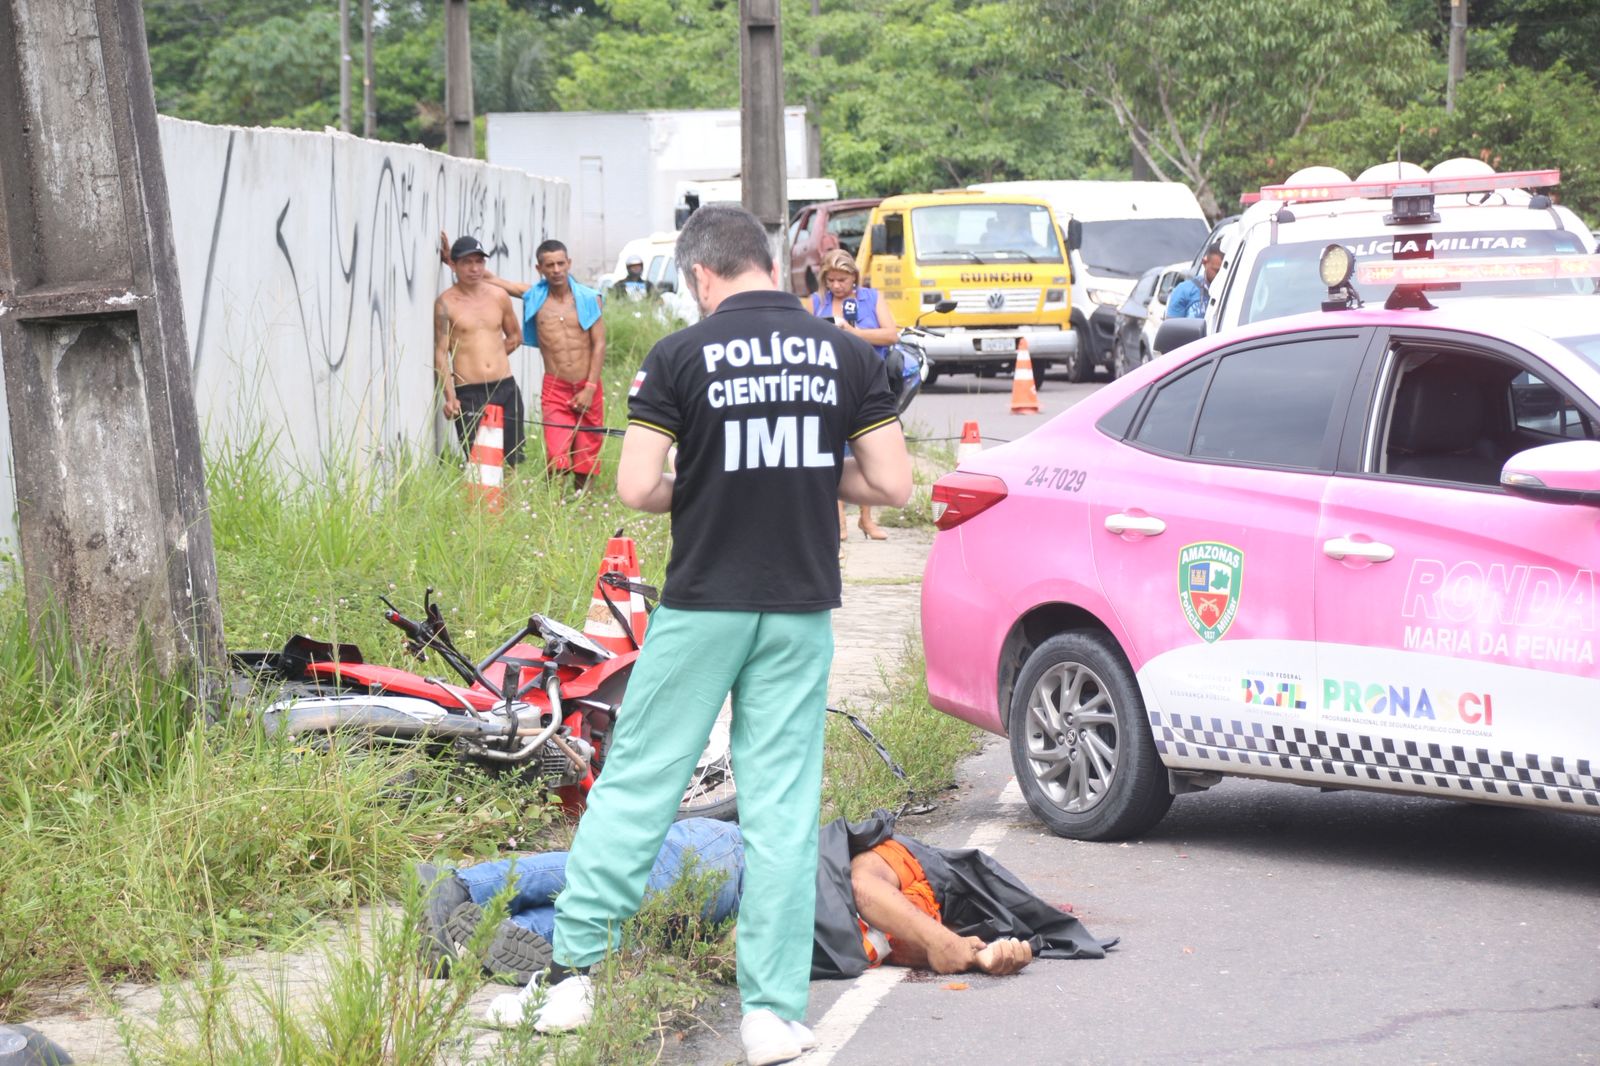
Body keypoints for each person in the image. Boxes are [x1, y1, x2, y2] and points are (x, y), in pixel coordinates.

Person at [523, 204, 912, 1066]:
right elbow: (892, 484)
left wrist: (705, 479)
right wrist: (809, 471)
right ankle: (770, 1013)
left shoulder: (679, 356)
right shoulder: (847, 354)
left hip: (704, 605)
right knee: (782, 810)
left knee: (639, 783)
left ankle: (573, 977)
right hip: (799, 609)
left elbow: (636, 488)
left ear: (702, 275)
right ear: (766, 262)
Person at [412, 809, 1110, 1020]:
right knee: (616, 880)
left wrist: (989, 957)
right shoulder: (913, 870)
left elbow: (929, 948)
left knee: (611, 932)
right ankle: (459, 884)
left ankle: (467, 943)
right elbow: (864, 885)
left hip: (730, 923)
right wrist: (948, 943)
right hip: (732, 862)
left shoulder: (913, 940)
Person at [439, 233, 608, 490]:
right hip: (556, 386)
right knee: (557, 455)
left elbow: (600, 344)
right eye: (549, 265)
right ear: (539, 269)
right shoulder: (532, 296)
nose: (556, 270)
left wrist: (590, 387)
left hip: (588, 385)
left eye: (561, 263)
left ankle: (582, 502)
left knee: (587, 455)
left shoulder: (589, 298)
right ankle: (554, 504)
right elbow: (487, 277)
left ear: (569, 263)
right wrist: (451, 260)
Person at [809, 249, 899, 543]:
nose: (837, 286)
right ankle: (839, 523)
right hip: (830, 384)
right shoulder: (816, 302)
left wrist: (852, 333)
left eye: (843, 280)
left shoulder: (871, 299)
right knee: (834, 451)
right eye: (831, 280)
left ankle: (866, 519)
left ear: (854, 278)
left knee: (866, 451)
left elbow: (890, 335)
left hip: (868, 384)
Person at [433, 235, 528, 466]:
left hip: (506, 387)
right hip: (469, 393)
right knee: (481, 466)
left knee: (511, 462)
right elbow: (441, 353)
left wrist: (491, 355)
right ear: (453, 265)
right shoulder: (445, 303)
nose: (474, 268)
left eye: (479, 262)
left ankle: (512, 492)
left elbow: (515, 337)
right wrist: (450, 397)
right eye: (467, 262)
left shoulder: (499, 296)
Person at [1167, 242, 1224, 320]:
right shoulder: (1184, 291)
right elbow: (1172, 326)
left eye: (1225, 272)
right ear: (1204, 263)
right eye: (1217, 271)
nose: (1221, 276)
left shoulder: (1236, 292)